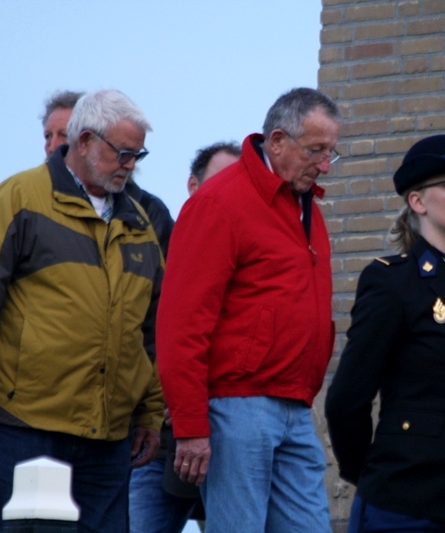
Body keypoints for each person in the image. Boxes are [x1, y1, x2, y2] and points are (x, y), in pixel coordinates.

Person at [0, 89, 164, 533]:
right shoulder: (19, 198)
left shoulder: (141, 223)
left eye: (137, 154)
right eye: (123, 152)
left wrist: (149, 413)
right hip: (24, 424)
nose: (130, 164)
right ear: (84, 141)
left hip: (109, 437)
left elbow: (153, 330)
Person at [156, 87, 341, 533]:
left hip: (296, 405)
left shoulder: (306, 207)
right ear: (277, 141)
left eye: (331, 152)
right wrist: (191, 424)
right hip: (237, 408)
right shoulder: (219, 202)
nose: (324, 165)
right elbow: (182, 323)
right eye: (315, 151)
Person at [325, 134, 445, 533]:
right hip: (407, 502)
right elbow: (347, 401)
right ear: (417, 201)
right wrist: (374, 473)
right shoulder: (392, 282)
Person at [129, 140, 240, 533]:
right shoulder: (163, 241)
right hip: (159, 438)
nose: (228, 192)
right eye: (219, 181)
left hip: (227, 437)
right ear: (193, 185)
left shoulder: (247, 255)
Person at [40, 89, 174, 258]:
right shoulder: (25, 198)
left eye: (64, 135)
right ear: (86, 142)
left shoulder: (147, 213)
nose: (52, 146)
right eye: (48, 136)